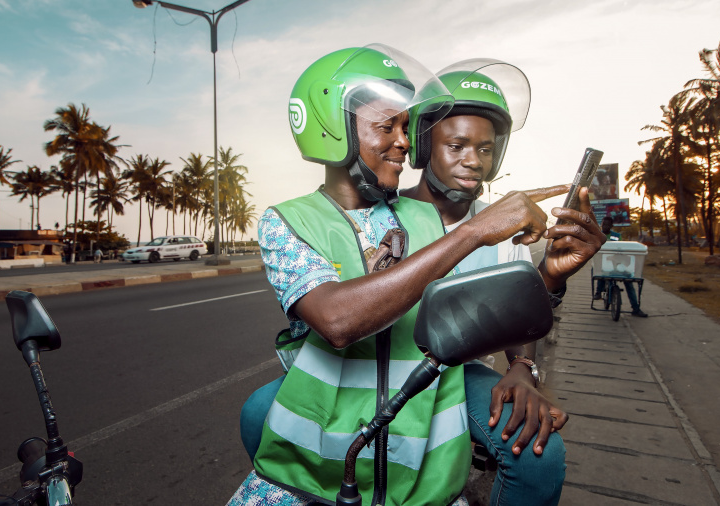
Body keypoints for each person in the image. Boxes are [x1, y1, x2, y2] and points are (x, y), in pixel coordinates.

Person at [230, 45, 570, 506]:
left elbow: (490, 304)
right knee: (258, 415)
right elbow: (337, 321)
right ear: (333, 128)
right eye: (387, 126)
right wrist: (473, 231)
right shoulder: (286, 221)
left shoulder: (428, 214)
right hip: (312, 465)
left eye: (407, 128)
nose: (405, 142)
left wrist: (547, 277)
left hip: (419, 455)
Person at [400, 59, 606, 505]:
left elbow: (516, 320)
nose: (473, 161)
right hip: (385, 371)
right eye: (456, 145)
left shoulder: (510, 224)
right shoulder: (382, 215)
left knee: (539, 457)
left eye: (486, 148)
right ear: (422, 144)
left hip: (458, 374)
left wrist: (521, 367)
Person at [594, 216, 647, 317]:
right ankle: (598, 292)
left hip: (618, 264)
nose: (605, 226)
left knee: (629, 283)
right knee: (599, 272)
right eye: (603, 224)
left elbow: (622, 249)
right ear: (601, 224)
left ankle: (635, 308)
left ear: (611, 226)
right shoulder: (597, 235)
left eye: (608, 224)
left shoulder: (617, 236)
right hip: (603, 264)